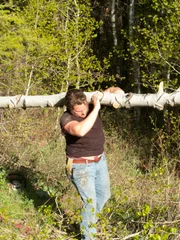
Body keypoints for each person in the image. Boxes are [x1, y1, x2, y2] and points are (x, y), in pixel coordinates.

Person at [60, 87, 124, 240]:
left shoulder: (90, 105)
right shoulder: (66, 118)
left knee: (104, 195)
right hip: (80, 166)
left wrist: (110, 94)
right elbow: (80, 131)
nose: (83, 113)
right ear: (70, 109)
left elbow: (117, 91)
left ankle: (88, 225)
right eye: (79, 112)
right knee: (90, 203)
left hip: (99, 161)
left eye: (85, 108)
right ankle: (88, 236)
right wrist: (96, 108)